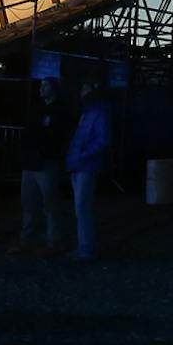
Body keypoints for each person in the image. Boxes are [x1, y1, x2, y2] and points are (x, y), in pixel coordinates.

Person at [17, 75, 72, 254]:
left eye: (44, 86)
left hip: (45, 161)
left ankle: (50, 242)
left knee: (47, 204)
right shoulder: (42, 109)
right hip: (36, 161)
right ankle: (32, 241)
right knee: (32, 203)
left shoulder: (56, 111)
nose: (41, 89)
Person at [65, 80, 112, 262]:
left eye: (85, 87)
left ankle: (86, 248)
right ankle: (84, 246)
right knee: (81, 208)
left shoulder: (96, 112)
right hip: (81, 163)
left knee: (82, 207)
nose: (82, 90)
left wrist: (82, 154)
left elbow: (102, 140)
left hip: (84, 164)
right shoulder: (90, 112)